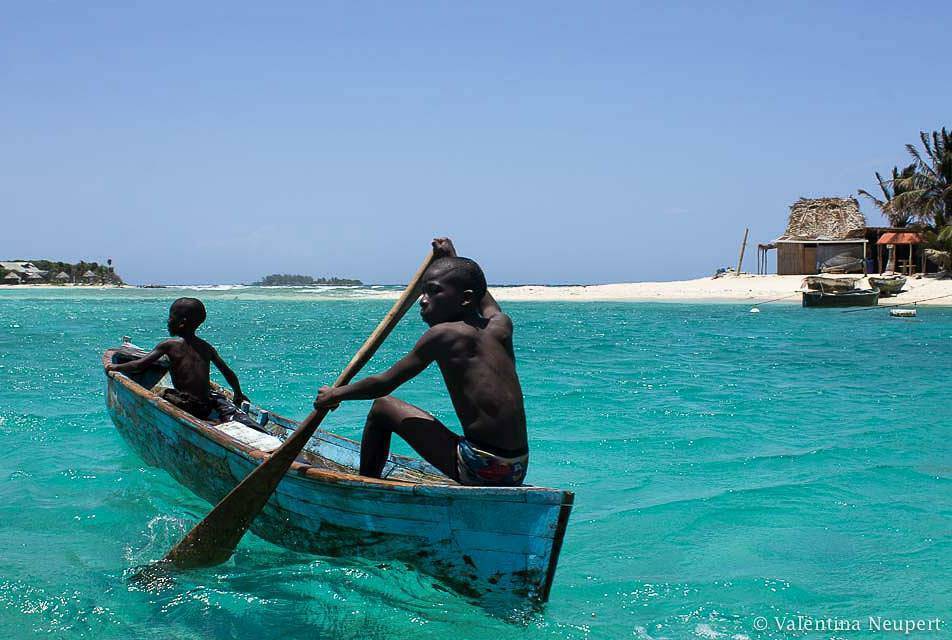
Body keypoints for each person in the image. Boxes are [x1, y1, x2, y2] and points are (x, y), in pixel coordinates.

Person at [313, 238, 528, 486]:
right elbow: (483, 298)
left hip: (480, 466)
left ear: (465, 299)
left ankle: (367, 486)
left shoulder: (444, 335)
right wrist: (452, 257)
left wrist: (335, 394)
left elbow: (384, 383)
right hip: (516, 467)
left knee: (382, 407)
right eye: (423, 291)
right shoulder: (501, 325)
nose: (423, 300)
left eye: (434, 291)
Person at [106, 297, 248, 420]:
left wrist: (116, 367)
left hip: (187, 406)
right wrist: (238, 393)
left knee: (161, 393)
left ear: (182, 322)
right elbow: (228, 372)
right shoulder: (206, 347)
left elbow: (140, 365)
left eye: (171, 318)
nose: (168, 321)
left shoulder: (169, 345)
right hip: (206, 406)